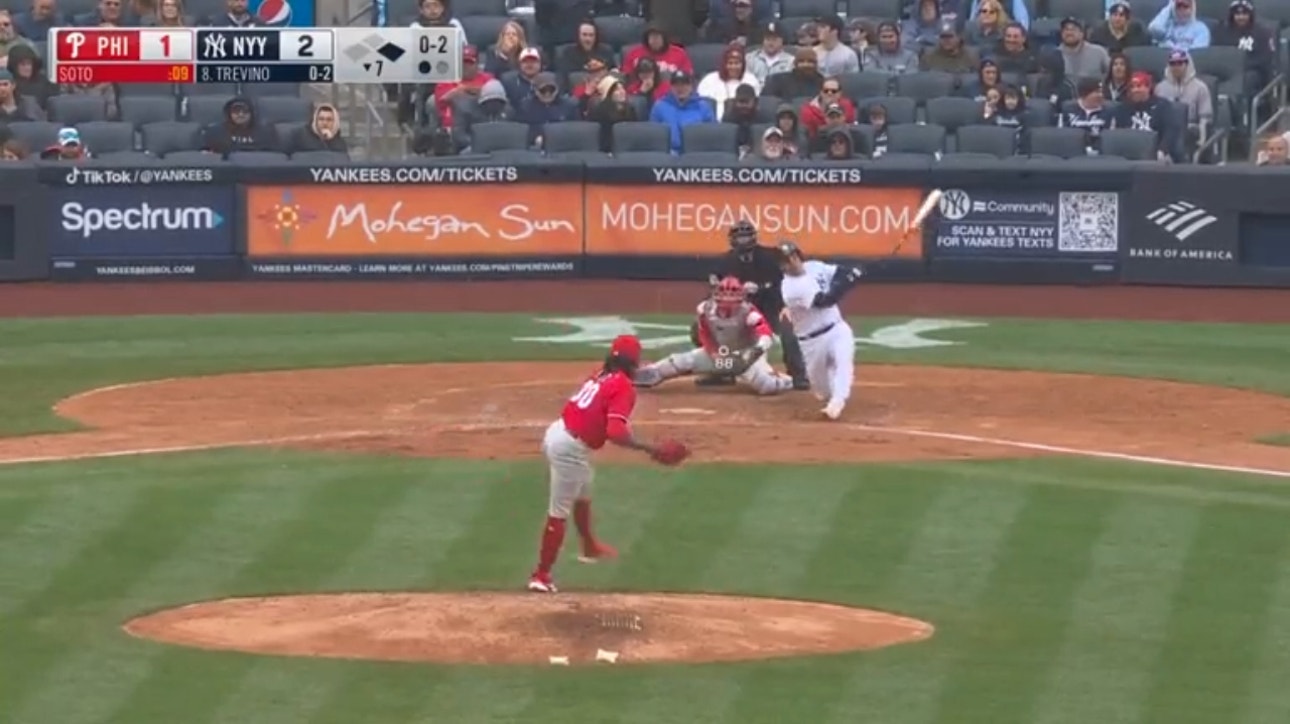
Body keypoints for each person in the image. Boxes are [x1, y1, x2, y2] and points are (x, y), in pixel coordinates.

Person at [528, 335, 688, 594]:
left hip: (559, 433)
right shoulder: (623, 386)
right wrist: (650, 449)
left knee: (584, 487)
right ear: (634, 362)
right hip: (568, 448)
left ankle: (589, 545)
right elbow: (615, 432)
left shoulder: (601, 373)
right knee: (559, 511)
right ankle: (541, 575)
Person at [634, 276, 796, 394]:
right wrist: (714, 352)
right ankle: (646, 375)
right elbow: (704, 334)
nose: (728, 298)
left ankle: (786, 381)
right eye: (724, 293)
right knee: (681, 361)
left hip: (747, 356)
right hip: (720, 354)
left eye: (732, 294)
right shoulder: (704, 309)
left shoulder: (748, 312)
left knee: (766, 386)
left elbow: (766, 333)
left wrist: (756, 350)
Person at [707, 220, 809, 388]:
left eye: (746, 237)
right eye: (739, 238)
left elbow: (786, 281)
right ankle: (722, 371)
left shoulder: (772, 257)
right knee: (704, 327)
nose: (743, 241)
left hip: (772, 307)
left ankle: (798, 374)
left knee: (789, 326)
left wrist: (761, 287)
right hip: (741, 314)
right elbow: (714, 289)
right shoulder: (724, 262)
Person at [776, 240, 861, 420]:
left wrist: (850, 275)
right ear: (782, 266)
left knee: (843, 362)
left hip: (837, 328)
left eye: (793, 256)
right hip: (812, 342)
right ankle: (832, 395)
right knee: (822, 390)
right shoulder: (790, 288)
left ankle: (837, 403)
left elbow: (839, 272)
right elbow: (825, 301)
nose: (792, 261)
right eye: (786, 260)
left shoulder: (814, 266)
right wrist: (850, 280)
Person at [1212, 0, 1274, 94]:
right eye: (1237, 14)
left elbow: (1265, 60)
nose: (1241, 17)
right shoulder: (1221, 31)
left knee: (1246, 80)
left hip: (1250, 72)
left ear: (1250, 14)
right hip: (1225, 71)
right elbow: (1215, 53)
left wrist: (1241, 65)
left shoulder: (1262, 32)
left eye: (1244, 13)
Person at [648, 69, 716, 154]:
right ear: (671, 87)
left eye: (684, 84)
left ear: (691, 86)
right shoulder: (659, 106)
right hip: (668, 154)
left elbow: (712, 135)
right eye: (676, 85)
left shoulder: (703, 106)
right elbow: (653, 136)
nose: (680, 88)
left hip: (696, 153)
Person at [1154, 48, 1212, 145]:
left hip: (1190, 130)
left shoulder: (1200, 87)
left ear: (1187, 64)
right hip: (1165, 130)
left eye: (1180, 63)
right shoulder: (1160, 88)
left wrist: (1202, 140)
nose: (1176, 67)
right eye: (1172, 64)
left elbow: (1205, 119)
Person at [1112, 70, 1173, 160]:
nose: (1135, 90)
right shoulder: (1121, 109)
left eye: (1139, 86)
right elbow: (1117, 134)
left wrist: (1162, 150)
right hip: (1128, 154)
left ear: (1148, 88)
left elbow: (1170, 132)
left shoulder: (1162, 106)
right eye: (1131, 87)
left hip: (1156, 154)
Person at [432, 45, 494, 129]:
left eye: (470, 62)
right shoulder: (446, 80)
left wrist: (465, 89)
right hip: (453, 128)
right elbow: (443, 99)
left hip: (482, 126)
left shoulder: (488, 78)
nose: (465, 66)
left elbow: (494, 96)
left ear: (477, 65)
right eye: (463, 62)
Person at [201, 96, 277, 156]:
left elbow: (273, 156)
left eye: (245, 111)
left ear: (252, 113)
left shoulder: (265, 132)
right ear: (229, 113)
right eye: (236, 111)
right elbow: (205, 154)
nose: (241, 114)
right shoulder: (215, 132)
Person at [518, 71, 578, 147]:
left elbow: (576, 130)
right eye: (543, 90)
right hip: (534, 148)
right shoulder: (525, 107)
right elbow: (520, 132)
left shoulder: (569, 106)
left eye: (551, 90)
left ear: (557, 89)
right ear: (535, 90)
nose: (547, 94)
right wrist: (534, 138)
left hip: (563, 146)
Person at [698, 44, 761, 109]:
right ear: (724, 64)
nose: (733, 67)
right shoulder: (709, 80)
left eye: (737, 63)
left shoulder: (751, 79)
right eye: (730, 63)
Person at [1059, 77, 1110, 154]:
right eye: (1097, 92)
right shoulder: (1068, 110)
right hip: (1073, 153)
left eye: (1102, 92)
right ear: (1085, 94)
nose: (1101, 95)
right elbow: (1062, 134)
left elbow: (1111, 138)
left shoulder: (1109, 112)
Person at [623, 24, 694, 77]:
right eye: (652, 37)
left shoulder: (679, 54)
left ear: (664, 39)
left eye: (657, 37)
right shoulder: (634, 53)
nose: (655, 41)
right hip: (640, 93)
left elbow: (687, 78)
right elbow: (626, 78)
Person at [800, 77, 856, 142]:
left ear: (840, 93)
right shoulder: (807, 111)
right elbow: (809, 136)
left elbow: (851, 128)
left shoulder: (847, 106)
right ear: (821, 92)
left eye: (834, 91)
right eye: (826, 91)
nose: (829, 93)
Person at [589, 77, 637, 153]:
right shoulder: (600, 112)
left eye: (622, 88)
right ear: (608, 93)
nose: (622, 92)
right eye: (617, 90)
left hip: (629, 148)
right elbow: (601, 137)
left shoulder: (631, 109)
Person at [1059, 17, 1110, 82]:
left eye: (1073, 29)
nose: (1069, 33)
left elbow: (1112, 74)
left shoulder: (1099, 52)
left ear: (1081, 34)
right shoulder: (1054, 55)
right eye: (1066, 29)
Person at [8, 44, 55, 113]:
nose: (27, 68)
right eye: (23, 64)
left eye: (29, 64)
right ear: (14, 65)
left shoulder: (45, 81)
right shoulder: (7, 84)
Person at [721, 83, 759, 155]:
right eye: (741, 102)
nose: (744, 106)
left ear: (755, 102)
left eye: (747, 102)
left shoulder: (761, 117)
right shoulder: (728, 118)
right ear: (735, 102)